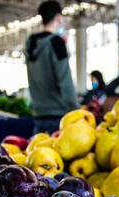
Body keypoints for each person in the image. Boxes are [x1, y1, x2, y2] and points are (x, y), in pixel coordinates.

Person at [25, 0, 80, 134]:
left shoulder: (30, 43)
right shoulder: (56, 43)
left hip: (38, 114)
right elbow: (65, 80)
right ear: (58, 17)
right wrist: (77, 111)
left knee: (37, 152)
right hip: (58, 116)